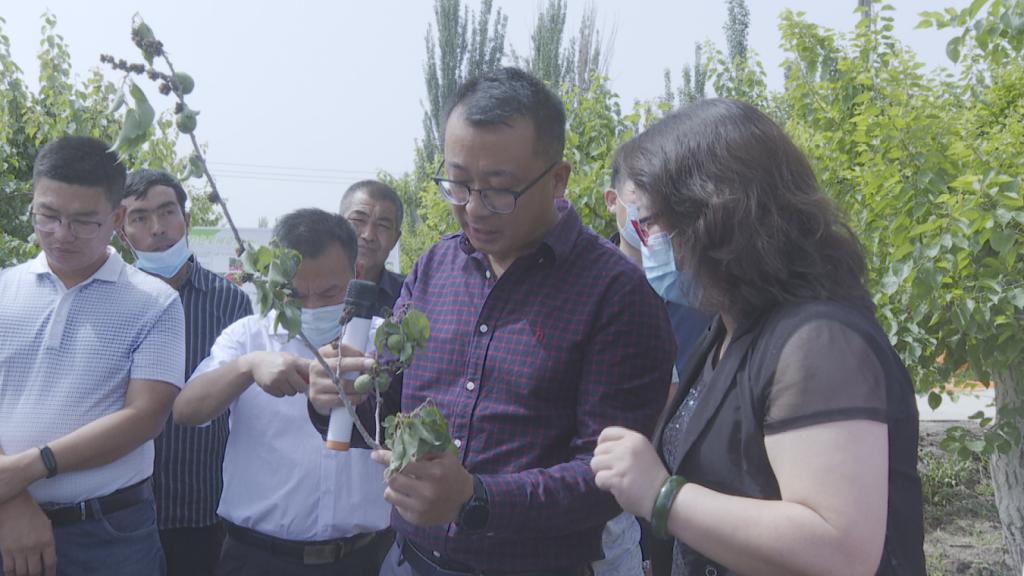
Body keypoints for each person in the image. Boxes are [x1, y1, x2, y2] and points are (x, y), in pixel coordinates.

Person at [308, 67, 676, 575]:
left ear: (558, 179)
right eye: (458, 185)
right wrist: (339, 394)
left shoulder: (616, 294)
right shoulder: (434, 269)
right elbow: (388, 405)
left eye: (499, 190)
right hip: (409, 562)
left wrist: (476, 499)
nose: (474, 209)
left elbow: (608, 479)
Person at [590, 98, 926, 576]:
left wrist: (663, 497)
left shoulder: (819, 343)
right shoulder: (729, 328)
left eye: (655, 225)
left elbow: (840, 549)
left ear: (719, 217)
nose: (649, 244)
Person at [0, 136, 185, 576]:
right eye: (48, 216)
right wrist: (11, 500)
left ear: (116, 218)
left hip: (107, 534)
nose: (62, 234)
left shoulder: (153, 302)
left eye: (84, 222)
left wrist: (28, 468)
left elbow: (144, 416)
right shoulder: (5, 290)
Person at [173, 208, 391, 576]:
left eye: (329, 292)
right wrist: (247, 367)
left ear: (355, 275)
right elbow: (186, 410)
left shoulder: (384, 342)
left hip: (364, 558)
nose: (312, 307)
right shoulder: (248, 336)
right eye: (295, 294)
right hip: (257, 558)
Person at [120, 169, 252, 576]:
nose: (157, 228)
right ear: (121, 231)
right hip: (124, 510)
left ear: (187, 219)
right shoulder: (111, 301)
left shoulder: (230, 302)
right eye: (139, 217)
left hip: (205, 505)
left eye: (167, 212)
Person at [604, 138, 710, 374]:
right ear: (612, 201)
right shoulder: (592, 287)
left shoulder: (701, 287)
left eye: (660, 191)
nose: (650, 204)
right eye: (639, 190)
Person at [339, 180, 405, 312]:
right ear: (338, 225)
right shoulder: (308, 287)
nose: (369, 235)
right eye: (358, 220)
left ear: (395, 239)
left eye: (383, 226)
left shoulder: (409, 294)